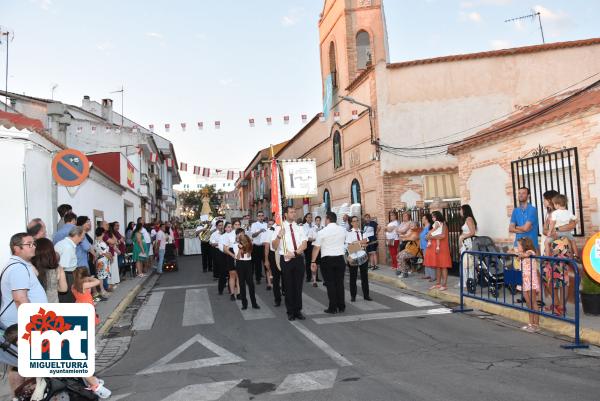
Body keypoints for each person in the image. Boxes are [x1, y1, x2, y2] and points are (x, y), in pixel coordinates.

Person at [0, 233, 48, 396]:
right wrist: (34, 324)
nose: (34, 246)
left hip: (18, 323)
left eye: (34, 243)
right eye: (29, 244)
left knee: (19, 363)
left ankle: (21, 396)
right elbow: (20, 299)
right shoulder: (18, 268)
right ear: (17, 248)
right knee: (25, 363)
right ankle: (25, 396)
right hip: (20, 323)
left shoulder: (19, 265)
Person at [70, 267, 112, 399]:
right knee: (90, 333)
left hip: (79, 310)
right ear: (84, 276)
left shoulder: (73, 286)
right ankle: (90, 351)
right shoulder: (85, 283)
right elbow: (97, 281)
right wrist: (89, 278)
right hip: (88, 311)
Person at [272, 206, 308, 321]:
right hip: (286, 260)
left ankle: (298, 310)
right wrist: (279, 236)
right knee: (288, 286)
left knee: (298, 286)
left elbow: (304, 244)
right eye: (291, 212)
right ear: (286, 214)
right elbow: (274, 246)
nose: (294, 214)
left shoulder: (299, 228)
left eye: (295, 212)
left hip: (297, 258)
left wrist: (295, 253)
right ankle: (290, 311)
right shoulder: (279, 228)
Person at [311, 211, 347, 314]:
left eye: (325, 219)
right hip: (340, 259)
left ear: (328, 219)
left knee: (330, 284)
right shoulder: (343, 230)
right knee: (339, 283)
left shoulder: (322, 232)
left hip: (327, 260)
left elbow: (316, 248)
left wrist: (313, 261)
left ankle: (333, 307)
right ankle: (341, 306)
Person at [515, 237, 540, 333]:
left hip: (530, 279)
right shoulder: (522, 254)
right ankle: (530, 323)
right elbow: (518, 256)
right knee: (528, 302)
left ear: (524, 246)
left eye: (519, 245)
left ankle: (536, 324)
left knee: (533, 301)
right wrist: (518, 254)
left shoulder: (531, 252)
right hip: (524, 279)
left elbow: (527, 254)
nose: (517, 247)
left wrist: (521, 254)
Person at [55, 225, 85, 302]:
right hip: (67, 277)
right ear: (77, 235)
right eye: (82, 238)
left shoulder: (62, 243)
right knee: (69, 300)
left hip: (65, 275)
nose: (81, 240)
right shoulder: (68, 247)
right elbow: (62, 267)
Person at [32, 237, 68, 302]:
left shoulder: (31, 268)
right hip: (53, 306)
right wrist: (53, 287)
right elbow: (64, 289)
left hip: (36, 306)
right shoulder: (58, 268)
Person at [345, 215, 372, 302]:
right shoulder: (348, 232)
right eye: (354, 221)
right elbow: (349, 247)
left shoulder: (362, 231)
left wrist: (356, 243)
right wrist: (361, 244)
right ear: (351, 223)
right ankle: (353, 296)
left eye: (357, 221)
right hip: (353, 257)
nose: (356, 222)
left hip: (363, 257)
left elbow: (366, 243)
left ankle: (366, 295)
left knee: (365, 277)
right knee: (353, 278)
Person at [425, 211, 452, 291]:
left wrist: (431, 237)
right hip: (436, 247)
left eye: (434, 216)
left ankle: (444, 285)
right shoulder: (434, 224)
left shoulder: (443, 224)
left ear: (438, 216)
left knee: (443, 266)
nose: (432, 218)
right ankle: (438, 283)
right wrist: (429, 237)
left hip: (442, 248)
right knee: (437, 266)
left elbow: (442, 235)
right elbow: (428, 235)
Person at [548, 194, 579, 259]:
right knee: (573, 241)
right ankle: (576, 255)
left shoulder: (555, 213)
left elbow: (552, 223)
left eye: (554, 204)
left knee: (547, 242)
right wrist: (573, 224)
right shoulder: (569, 212)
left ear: (557, 205)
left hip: (557, 232)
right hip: (567, 232)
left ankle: (547, 256)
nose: (554, 206)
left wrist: (550, 231)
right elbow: (576, 220)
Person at [509, 187, 539, 251]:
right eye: (519, 193)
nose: (520, 195)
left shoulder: (532, 210)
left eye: (523, 193)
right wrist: (523, 229)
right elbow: (511, 229)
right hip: (518, 245)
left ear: (528, 196)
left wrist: (516, 227)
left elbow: (525, 228)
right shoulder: (515, 211)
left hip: (530, 246)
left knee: (530, 261)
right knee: (516, 261)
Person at [235, 232, 260, 310]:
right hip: (240, 264)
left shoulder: (249, 244)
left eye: (244, 239)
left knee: (251, 284)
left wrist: (246, 247)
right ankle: (244, 304)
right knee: (242, 284)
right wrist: (240, 249)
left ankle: (254, 303)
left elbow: (249, 255)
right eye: (241, 239)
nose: (243, 241)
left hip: (248, 264)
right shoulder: (235, 245)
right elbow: (238, 257)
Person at [263, 218, 283, 306]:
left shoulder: (285, 227)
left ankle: (287, 294)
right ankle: (277, 299)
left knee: (286, 276)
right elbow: (267, 246)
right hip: (274, 254)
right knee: (276, 277)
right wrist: (266, 260)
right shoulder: (270, 230)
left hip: (284, 254)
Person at [458, 205, 477, 288]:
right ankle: (466, 282)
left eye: (461, 210)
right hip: (465, 243)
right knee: (465, 263)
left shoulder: (468, 219)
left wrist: (463, 237)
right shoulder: (467, 219)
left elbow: (472, 232)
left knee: (467, 263)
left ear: (465, 210)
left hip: (468, 243)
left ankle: (468, 283)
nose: (460, 212)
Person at [93, 227, 112, 296]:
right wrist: (110, 257)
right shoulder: (101, 242)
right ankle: (102, 290)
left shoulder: (95, 241)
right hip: (103, 260)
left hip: (100, 260)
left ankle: (103, 289)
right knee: (101, 276)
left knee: (101, 275)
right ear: (102, 233)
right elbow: (105, 253)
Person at [250, 211, 268, 285]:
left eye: (262, 215)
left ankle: (268, 279)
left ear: (263, 217)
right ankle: (258, 278)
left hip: (264, 246)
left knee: (266, 263)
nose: (261, 217)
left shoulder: (266, 224)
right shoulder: (254, 225)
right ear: (257, 217)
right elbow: (253, 235)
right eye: (259, 216)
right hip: (256, 246)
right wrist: (259, 231)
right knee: (257, 264)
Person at [302, 213, 319, 285]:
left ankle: (316, 277)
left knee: (315, 260)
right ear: (306, 218)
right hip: (308, 244)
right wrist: (310, 233)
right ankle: (308, 277)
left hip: (314, 243)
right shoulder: (303, 226)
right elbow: (305, 235)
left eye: (311, 217)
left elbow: (317, 233)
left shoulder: (314, 225)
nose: (310, 219)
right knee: (308, 260)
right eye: (308, 217)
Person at [419, 214, 436, 282]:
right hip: (423, 246)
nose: (422, 220)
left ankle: (433, 276)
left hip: (428, 246)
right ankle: (427, 274)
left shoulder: (429, 226)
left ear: (426, 219)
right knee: (426, 260)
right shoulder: (425, 226)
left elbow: (430, 236)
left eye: (423, 218)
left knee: (429, 261)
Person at [104, 222, 121, 288]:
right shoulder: (105, 234)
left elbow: (116, 241)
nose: (108, 226)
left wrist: (114, 242)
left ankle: (114, 281)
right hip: (109, 253)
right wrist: (114, 242)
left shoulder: (109, 233)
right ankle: (111, 283)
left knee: (114, 268)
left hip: (112, 251)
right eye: (106, 225)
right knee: (110, 269)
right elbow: (114, 242)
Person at [210, 220, 225, 290]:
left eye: (222, 225)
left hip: (225, 250)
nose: (221, 227)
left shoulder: (226, 233)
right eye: (219, 225)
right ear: (216, 226)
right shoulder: (214, 234)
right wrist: (220, 243)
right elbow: (212, 244)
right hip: (217, 250)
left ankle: (225, 276)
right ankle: (218, 276)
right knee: (218, 264)